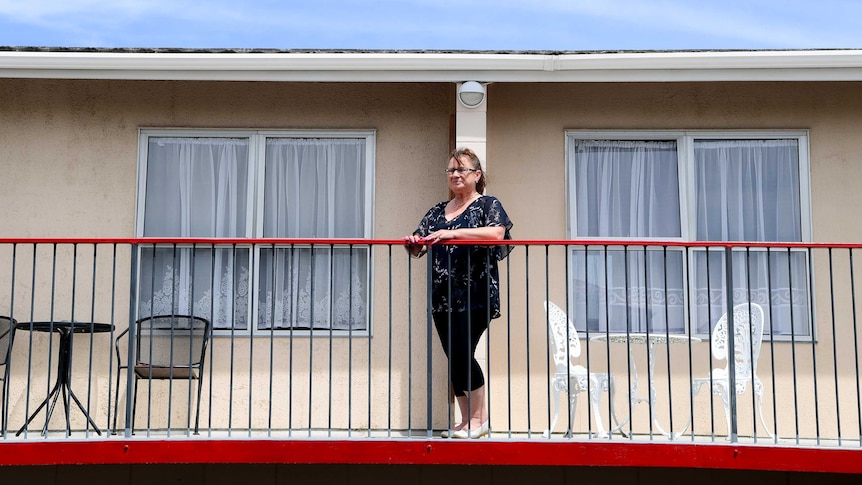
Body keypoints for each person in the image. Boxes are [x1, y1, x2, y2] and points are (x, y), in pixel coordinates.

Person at [404, 147, 513, 439]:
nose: (454, 175)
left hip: (476, 292)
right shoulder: (438, 211)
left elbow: (496, 234)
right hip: (443, 296)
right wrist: (413, 242)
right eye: (450, 170)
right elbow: (419, 245)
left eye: (460, 169)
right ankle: (465, 421)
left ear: (476, 175)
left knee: (464, 353)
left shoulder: (487, 204)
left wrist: (452, 234)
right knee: (453, 356)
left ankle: (480, 419)